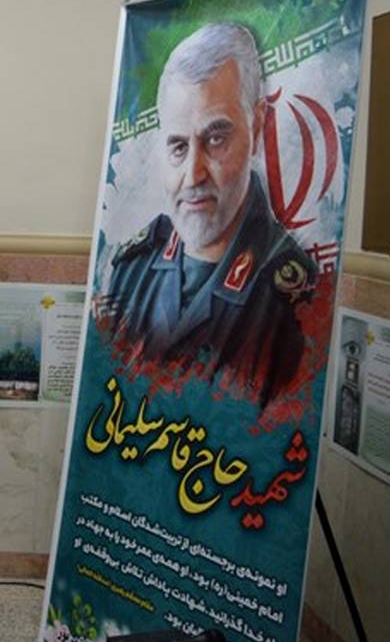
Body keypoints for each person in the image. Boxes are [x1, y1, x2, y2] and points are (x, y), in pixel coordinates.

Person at [99, 23, 317, 409]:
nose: (193, 175)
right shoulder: (128, 269)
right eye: (178, 146)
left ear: (257, 125)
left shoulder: (298, 306)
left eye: (216, 139)